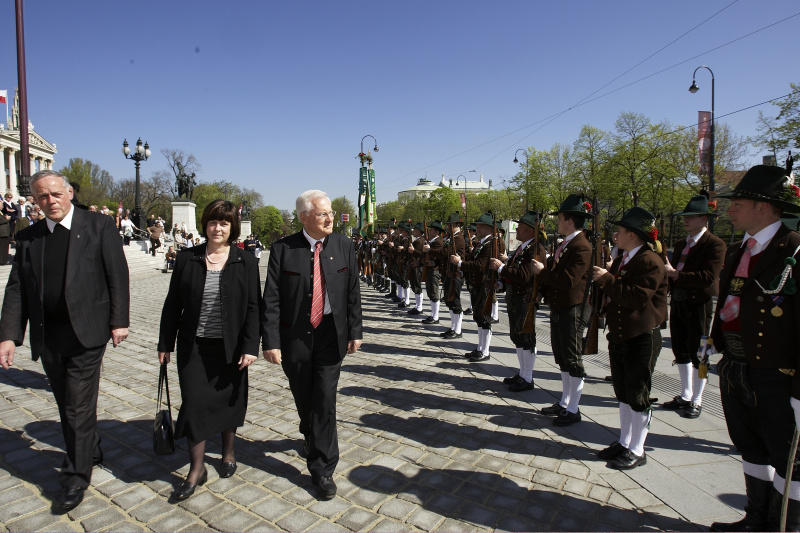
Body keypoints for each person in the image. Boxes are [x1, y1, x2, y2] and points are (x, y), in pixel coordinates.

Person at [0, 170, 130, 513]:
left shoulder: (98, 226)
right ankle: (90, 445)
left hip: (88, 331)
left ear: (69, 192)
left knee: (76, 405)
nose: (50, 202)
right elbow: (17, 291)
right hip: (49, 335)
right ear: (35, 200)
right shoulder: (29, 237)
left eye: (56, 194)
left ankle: (75, 475)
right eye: (42, 197)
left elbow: (117, 274)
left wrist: (119, 321)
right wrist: (9, 336)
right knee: (65, 402)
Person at [706, 166, 800, 531]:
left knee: (787, 456)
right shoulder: (738, 249)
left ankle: (781, 526)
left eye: (738, 203)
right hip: (735, 364)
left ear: (763, 207)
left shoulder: (793, 249)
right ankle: (755, 518)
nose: (730, 210)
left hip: (776, 374)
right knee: (749, 444)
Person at [262, 190, 362, 501]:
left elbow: (353, 293)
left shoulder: (345, 246)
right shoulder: (283, 249)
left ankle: (322, 468)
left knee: (324, 401)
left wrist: (355, 331)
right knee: (304, 397)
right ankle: (309, 433)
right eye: (322, 214)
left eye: (330, 213)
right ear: (305, 217)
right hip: (296, 337)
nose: (330, 218)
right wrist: (271, 341)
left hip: (331, 335)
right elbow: (272, 299)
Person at [157, 200, 261, 501]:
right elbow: (172, 304)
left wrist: (250, 346)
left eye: (224, 223)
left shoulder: (245, 261)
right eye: (213, 222)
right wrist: (165, 343)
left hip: (231, 349)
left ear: (232, 228)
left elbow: (254, 307)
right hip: (194, 348)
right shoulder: (188, 258)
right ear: (205, 225)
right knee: (194, 403)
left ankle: (228, 452)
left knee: (229, 401)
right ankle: (196, 469)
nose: (218, 228)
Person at [592, 206, 667, 470]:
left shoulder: (649, 261)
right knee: (623, 393)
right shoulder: (629, 258)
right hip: (623, 334)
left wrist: (607, 280)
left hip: (641, 336)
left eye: (621, 230)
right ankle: (624, 441)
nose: (616, 234)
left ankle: (638, 448)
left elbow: (637, 298)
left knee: (638, 395)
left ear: (634, 235)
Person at [661, 194, 726, 419]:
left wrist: (676, 274)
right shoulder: (681, 243)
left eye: (691, 217)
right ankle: (685, 394)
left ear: (704, 219)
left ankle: (697, 399)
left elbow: (709, 276)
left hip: (700, 304)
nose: (685, 221)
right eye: (684, 217)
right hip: (679, 301)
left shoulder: (715, 244)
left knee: (700, 351)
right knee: (680, 349)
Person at [531, 196, 593, 425]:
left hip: (573, 308)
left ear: (569, 220)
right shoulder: (565, 244)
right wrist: (542, 292)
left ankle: (574, 409)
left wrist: (541, 273)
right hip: (560, 306)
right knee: (563, 358)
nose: (557, 222)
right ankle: (565, 401)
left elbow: (568, 280)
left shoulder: (582, 247)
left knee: (572, 359)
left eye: (560, 218)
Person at [491, 210, 545, 392]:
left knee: (526, 337)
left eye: (520, 228)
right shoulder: (524, 248)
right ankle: (522, 373)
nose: (517, 230)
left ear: (530, 230)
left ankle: (528, 377)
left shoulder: (535, 249)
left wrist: (501, 269)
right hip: (515, 298)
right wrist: (502, 283)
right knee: (517, 336)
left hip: (525, 299)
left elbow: (523, 276)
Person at [451, 213, 496, 362]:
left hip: (484, 285)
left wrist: (460, 263)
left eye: (480, 226)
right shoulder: (480, 243)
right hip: (476, 284)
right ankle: (480, 348)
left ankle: (485, 350)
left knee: (484, 319)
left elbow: (480, 266)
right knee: (478, 317)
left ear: (489, 228)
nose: (477, 228)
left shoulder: (489, 244)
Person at [421, 221, 445, 325]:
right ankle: (433, 315)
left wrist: (434, 262)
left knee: (434, 293)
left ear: (436, 232)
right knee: (430, 292)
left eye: (431, 230)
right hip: (430, 269)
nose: (429, 231)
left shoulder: (438, 242)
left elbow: (440, 257)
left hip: (435, 270)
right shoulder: (432, 241)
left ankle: (435, 316)